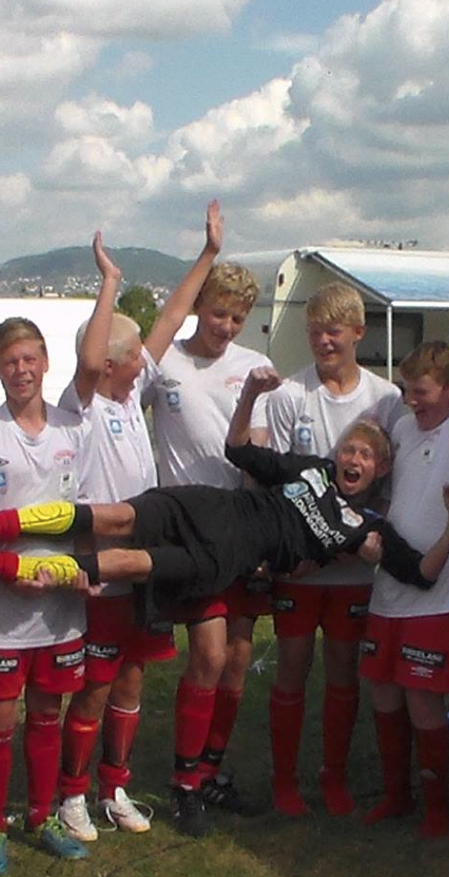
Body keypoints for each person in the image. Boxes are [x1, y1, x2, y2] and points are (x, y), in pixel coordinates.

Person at [0, 366, 449, 649]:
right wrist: (251, 396)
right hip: (214, 507)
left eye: (366, 456)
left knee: (127, 564)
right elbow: (238, 451)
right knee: (117, 518)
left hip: (229, 556)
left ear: (380, 469)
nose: (353, 459)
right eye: (349, 449)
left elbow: (423, 572)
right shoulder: (313, 468)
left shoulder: (365, 528)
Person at [140, 219, 273, 834]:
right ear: (199, 308)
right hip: (187, 530)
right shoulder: (164, 360)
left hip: (242, 526)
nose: (225, 328)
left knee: (238, 659)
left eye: (237, 319)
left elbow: (261, 451)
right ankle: (183, 781)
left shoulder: (255, 367)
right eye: (217, 314)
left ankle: (212, 771)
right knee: (209, 654)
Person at [50, 233, 177, 843]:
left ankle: (113, 786)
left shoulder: (130, 397)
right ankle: (71, 796)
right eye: (130, 363)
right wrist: (109, 283)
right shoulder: (83, 406)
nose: (141, 369)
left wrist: (206, 256)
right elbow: (89, 361)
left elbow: (168, 326)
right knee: (95, 688)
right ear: (109, 363)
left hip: (146, 564)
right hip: (100, 567)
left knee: (132, 680)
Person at [262, 281, 404, 817]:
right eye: (315, 331)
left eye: (333, 332)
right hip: (300, 567)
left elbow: (393, 485)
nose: (323, 341)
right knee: (292, 666)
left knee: (344, 668)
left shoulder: (385, 399)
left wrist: (359, 541)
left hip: (353, 569)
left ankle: (334, 776)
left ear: (357, 334)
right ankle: (283, 779)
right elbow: (275, 484)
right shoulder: (288, 396)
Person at [0, 317, 89, 872]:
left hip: (60, 608)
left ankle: (42, 814)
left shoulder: (71, 431)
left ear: (45, 363)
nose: (21, 370)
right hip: (5, 609)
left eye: (30, 358)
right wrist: (9, 571)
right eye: (10, 361)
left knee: (46, 714)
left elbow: (85, 516)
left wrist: (74, 572)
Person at [360, 339, 449, 838]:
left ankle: (436, 804)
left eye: (423, 391)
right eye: (407, 390)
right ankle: (396, 794)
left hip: (441, 592)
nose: (411, 399)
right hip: (390, 583)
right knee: (383, 691)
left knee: (422, 699)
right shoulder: (404, 428)